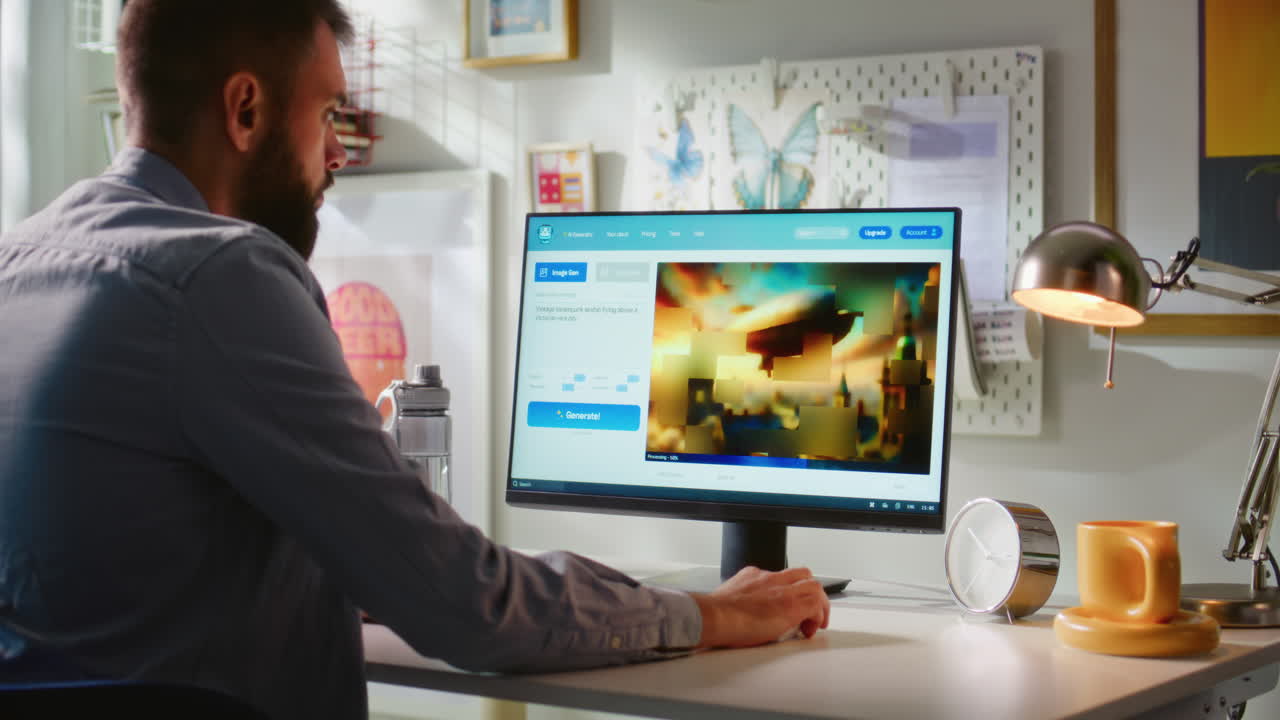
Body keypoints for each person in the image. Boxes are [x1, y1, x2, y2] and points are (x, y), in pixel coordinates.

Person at [0, 2, 830, 718]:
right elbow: (463, 603)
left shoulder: (20, 262)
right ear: (245, 109)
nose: (339, 154)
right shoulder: (223, 275)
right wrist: (703, 615)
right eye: (327, 115)